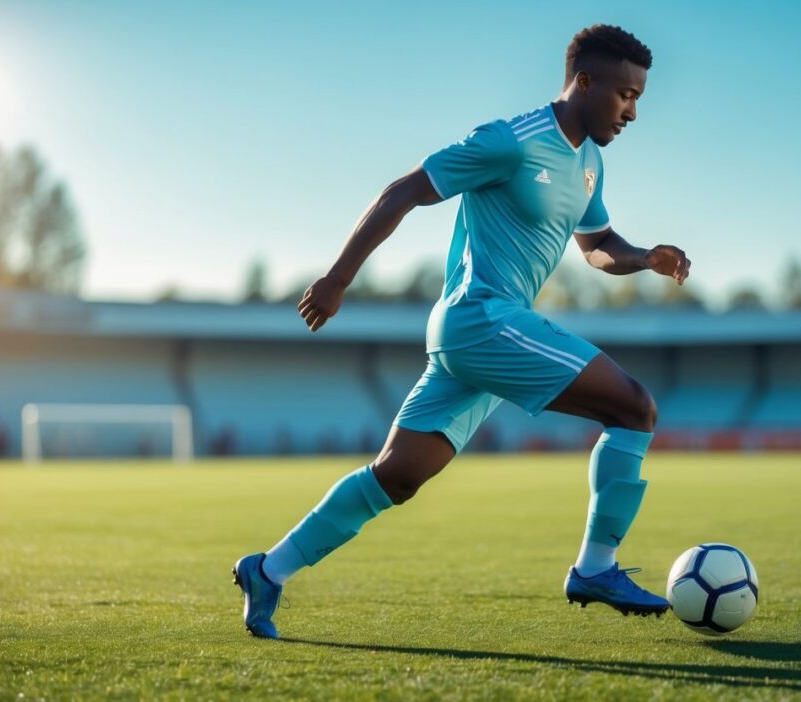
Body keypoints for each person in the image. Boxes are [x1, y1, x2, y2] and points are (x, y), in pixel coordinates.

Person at [233, 24, 691, 639]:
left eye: (639, 98)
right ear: (584, 81)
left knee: (396, 476)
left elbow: (598, 243)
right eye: (625, 95)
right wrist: (339, 277)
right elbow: (405, 190)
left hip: (479, 339)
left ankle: (268, 570)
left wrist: (644, 258)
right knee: (635, 408)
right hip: (483, 320)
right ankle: (595, 567)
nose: (632, 111)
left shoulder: (589, 163)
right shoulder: (510, 141)